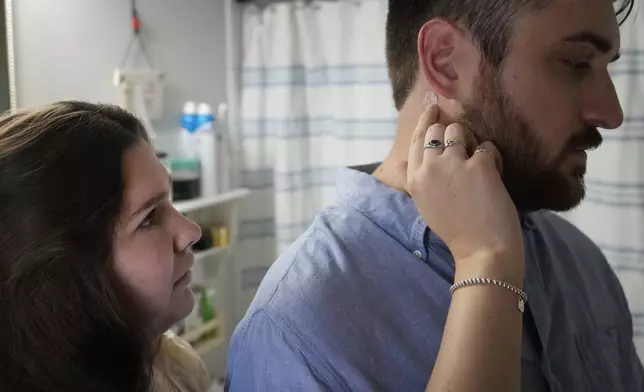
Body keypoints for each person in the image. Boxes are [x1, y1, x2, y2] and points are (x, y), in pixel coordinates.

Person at [225, 0, 644, 391]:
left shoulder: (580, 258)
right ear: (446, 62)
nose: (612, 113)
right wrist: (488, 261)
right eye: (575, 64)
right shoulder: (293, 330)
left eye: (606, 68)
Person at [0, 101, 210, 392]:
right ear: (59, 276)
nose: (191, 231)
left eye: (169, 202)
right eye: (149, 218)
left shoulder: (174, 367)